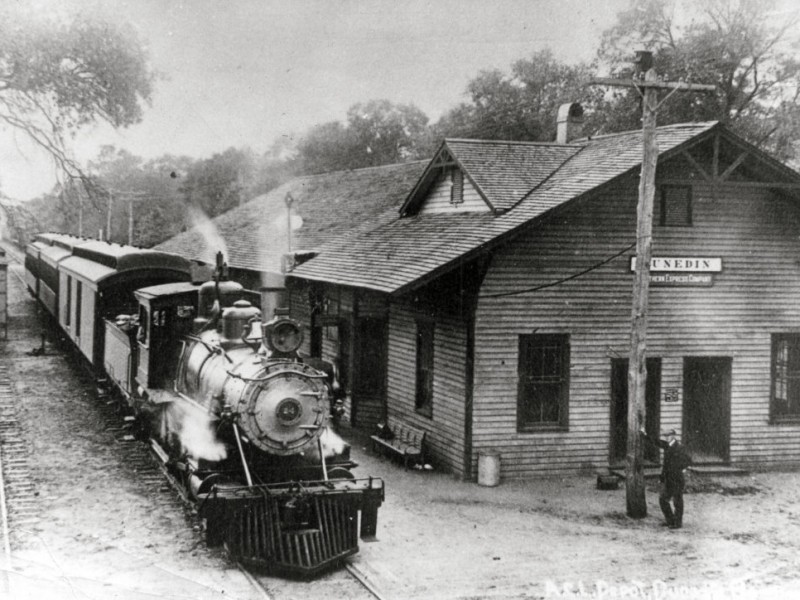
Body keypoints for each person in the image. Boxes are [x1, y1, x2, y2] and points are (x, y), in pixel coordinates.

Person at [640, 428, 692, 529]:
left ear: (673, 436)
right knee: (663, 499)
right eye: (665, 436)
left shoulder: (679, 447)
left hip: (677, 479)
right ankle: (670, 520)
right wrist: (645, 434)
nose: (667, 438)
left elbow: (688, 460)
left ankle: (677, 523)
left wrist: (682, 469)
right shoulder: (667, 446)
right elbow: (656, 442)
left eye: (668, 436)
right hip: (669, 479)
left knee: (677, 501)